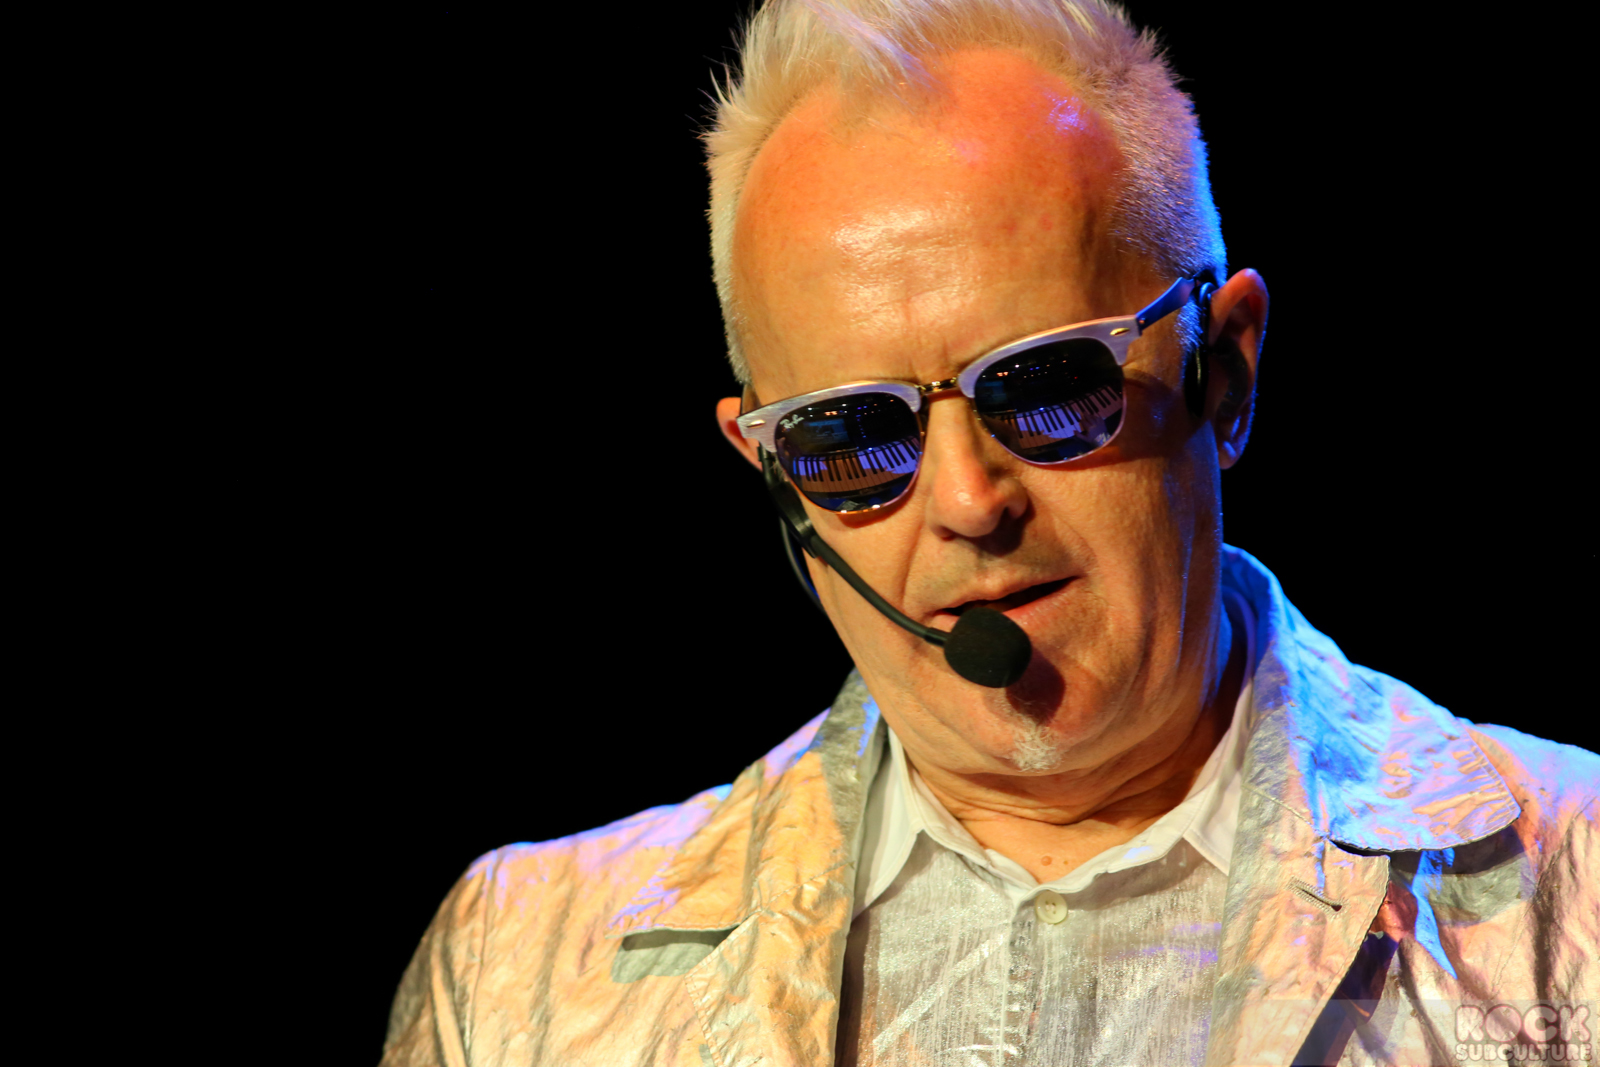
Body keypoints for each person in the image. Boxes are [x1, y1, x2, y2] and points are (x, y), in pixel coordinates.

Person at [381, 2, 1598, 1064]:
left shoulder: (1580, 884)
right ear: (772, 475)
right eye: (854, 436)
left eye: (1046, 386)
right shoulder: (518, 972)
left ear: (1224, 372)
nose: (968, 499)